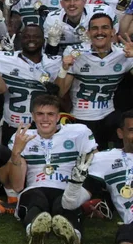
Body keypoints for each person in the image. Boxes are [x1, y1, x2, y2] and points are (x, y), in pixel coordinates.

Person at [7, 94, 97, 244]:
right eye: (40, 114)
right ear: (33, 116)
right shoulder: (21, 137)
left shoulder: (78, 132)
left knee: (63, 204)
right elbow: (17, 185)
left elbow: (94, 161)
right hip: (35, 188)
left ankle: (73, 238)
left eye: (51, 114)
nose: (45, 119)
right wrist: (16, 152)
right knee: (36, 200)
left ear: (58, 116)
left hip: (66, 187)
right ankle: (33, 234)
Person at [61, 110, 133, 244]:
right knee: (128, 236)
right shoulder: (104, 160)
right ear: (120, 133)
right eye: (132, 130)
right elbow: (70, 204)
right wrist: (75, 182)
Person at [55, 13, 133, 150]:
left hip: (109, 116)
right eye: (95, 28)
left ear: (113, 31)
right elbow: (60, 93)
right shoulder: (75, 53)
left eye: (104, 28)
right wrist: (63, 69)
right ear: (88, 32)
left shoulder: (124, 53)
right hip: (81, 116)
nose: (100, 32)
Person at [0, 25, 62, 146]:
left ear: (44, 40)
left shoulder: (54, 62)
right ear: (20, 39)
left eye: (36, 37)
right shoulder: (3, 59)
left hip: (42, 127)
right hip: (12, 126)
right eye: (27, 37)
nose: (31, 40)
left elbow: (63, 92)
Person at [43, 0, 118, 55]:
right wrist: (52, 43)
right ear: (62, 4)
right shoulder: (53, 19)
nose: (72, 3)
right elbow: (50, 57)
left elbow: (113, 45)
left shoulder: (103, 12)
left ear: (84, 1)